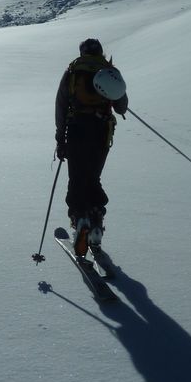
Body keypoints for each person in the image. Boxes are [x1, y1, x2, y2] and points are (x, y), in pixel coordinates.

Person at [55, 38, 128, 257]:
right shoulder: (108, 70)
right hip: (102, 133)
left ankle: (80, 221)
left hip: (77, 131)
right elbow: (122, 106)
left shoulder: (73, 70)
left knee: (77, 179)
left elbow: (61, 104)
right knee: (93, 177)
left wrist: (60, 138)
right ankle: (96, 222)